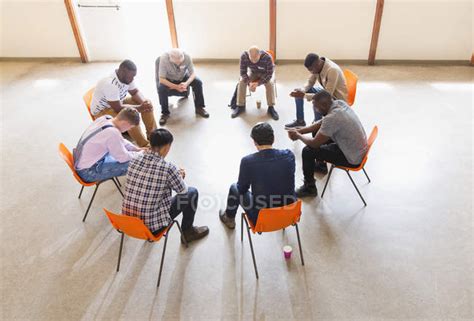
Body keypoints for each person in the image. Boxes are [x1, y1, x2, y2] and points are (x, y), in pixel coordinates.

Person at [122, 128, 209, 243]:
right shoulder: (168, 168)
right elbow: (183, 191)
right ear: (166, 147)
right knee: (192, 192)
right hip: (151, 227)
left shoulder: (134, 159)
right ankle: (188, 232)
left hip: (126, 222)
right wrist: (179, 176)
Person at [287, 90, 368, 198]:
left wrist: (298, 136)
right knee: (317, 132)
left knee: (308, 151)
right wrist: (300, 130)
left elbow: (314, 144)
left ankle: (309, 188)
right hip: (356, 148)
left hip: (352, 158)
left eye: (316, 107)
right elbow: (321, 123)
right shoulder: (339, 103)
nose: (316, 110)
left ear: (324, 105)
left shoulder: (333, 118)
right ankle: (321, 166)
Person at [219, 122, 296, 228]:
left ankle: (229, 218)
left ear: (254, 142)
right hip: (290, 213)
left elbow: (242, 189)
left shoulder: (248, 161)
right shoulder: (289, 155)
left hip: (262, 219)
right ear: (273, 139)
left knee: (234, 188)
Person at [90, 59, 157, 147]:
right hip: (103, 111)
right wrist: (140, 108)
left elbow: (135, 92)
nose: (132, 79)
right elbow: (118, 108)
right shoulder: (110, 84)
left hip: (117, 102)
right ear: (123, 71)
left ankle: (153, 134)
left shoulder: (127, 77)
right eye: (131, 77)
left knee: (147, 103)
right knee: (130, 116)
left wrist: (145, 103)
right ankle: (144, 145)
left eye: (134, 76)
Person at [75, 107, 142, 183]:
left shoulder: (106, 118)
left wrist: (136, 149)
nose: (129, 129)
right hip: (88, 172)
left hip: (82, 161)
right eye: (130, 127)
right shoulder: (113, 133)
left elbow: (120, 141)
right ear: (125, 123)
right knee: (137, 163)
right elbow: (123, 157)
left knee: (130, 155)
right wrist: (140, 154)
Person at [285, 53, 348, 129]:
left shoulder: (332, 70)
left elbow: (327, 95)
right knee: (298, 92)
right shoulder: (319, 65)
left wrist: (304, 95)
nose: (311, 72)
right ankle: (300, 121)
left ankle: (318, 126)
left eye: (311, 70)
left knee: (317, 102)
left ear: (317, 64)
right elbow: (310, 82)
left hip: (337, 98)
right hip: (327, 91)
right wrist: (303, 90)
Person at [156, 49, 209, 125]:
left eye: (180, 62)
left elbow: (193, 74)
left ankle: (199, 108)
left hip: (183, 77)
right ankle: (165, 113)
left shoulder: (187, 57)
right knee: (161, 88)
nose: (178, 64)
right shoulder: (164, 58)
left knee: (198, 82)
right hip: (169, 79)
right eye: (176, 63)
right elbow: (161, 79)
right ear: (170, 58)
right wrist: (176, 87)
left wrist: (186, 83)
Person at [229, 46, 279, 120]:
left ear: (260, 55)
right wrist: (250, 83)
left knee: (270, 84)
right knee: (241, 81)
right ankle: (240, 106)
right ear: (248, 55)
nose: (253, 61)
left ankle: (271, 107)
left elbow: (269, 75)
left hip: (265, 73)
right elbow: (243, 73)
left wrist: (258, 83)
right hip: (253, 72)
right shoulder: (244, 56)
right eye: (251, 59)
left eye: (255, 59)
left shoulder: (267, 58)